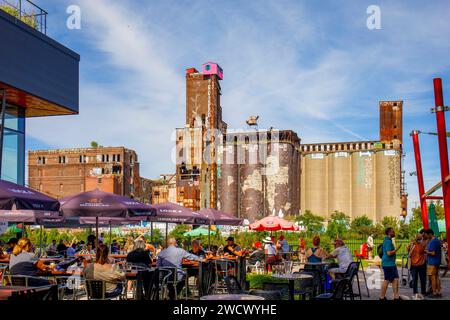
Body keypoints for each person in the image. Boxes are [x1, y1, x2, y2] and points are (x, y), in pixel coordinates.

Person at [380, 227, 402, 300]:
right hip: (389, 264)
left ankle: (395, 297)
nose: (394, 232)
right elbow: (389, 253)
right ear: (389, 233)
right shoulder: (388, 242)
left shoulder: (387, 240)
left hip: (389, 263)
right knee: (388, 280)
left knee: (394, 279)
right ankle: (382, 297)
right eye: (393, 231)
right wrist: (397, 249)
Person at [407, 234, 427, 299]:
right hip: (421, 264)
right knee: (422, 279)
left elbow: (407, 250)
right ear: (420, 239)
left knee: (415, 279)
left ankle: (415, 292)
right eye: (421, 238)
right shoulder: (422, 245)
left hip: (413, 264)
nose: (422, 239)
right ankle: (423, 292)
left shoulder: (412, 244)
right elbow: (424, 251)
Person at [424, 229, 442, 298]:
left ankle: (434, 293)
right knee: (437, 277)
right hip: (437, 261)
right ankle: (438, 291)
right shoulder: (437, 240)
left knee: (433, 277)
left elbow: (433, 253)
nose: (426, 236)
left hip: (432, 262)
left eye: (426, 234)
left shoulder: (432, 241)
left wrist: (426, 251)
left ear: (430, 234)